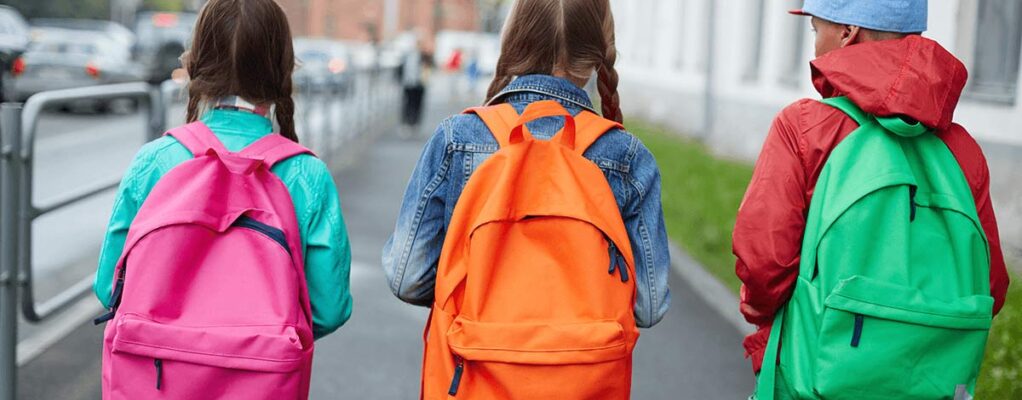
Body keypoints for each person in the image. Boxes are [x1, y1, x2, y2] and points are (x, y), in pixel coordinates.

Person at [383, 0, 670, 397]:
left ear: (514, 38)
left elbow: (408, 278)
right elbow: (649, 307)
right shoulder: (627, 157)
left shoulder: (458, 138)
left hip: (473, 377)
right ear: (599, 50)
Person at [734, 0, 1010, 398]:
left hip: (818, 376)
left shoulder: (806, 129)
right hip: (935, 384)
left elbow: (763, 265)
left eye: (817, 30)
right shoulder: (962, 151)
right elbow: (991, 285)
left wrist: (769, 326)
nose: (815, 46)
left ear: (847, 32)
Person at [94, 0, 352, 380]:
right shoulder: (306, 175)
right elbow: (328, 308)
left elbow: (108, 288)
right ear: (282, 68)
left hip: (156, 377)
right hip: (261, 380)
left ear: (195, 62)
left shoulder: (155, 161)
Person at [400, 44, 430, 138]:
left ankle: (415, 124)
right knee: (408, 104)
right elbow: (401, 69)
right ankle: (407, 123)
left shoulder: (425, 56)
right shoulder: (406, 56)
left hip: (420, 84)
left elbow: (429, 67)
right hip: (408, 84)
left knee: (418, 105)